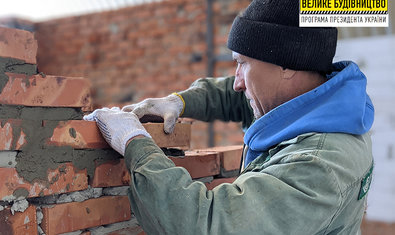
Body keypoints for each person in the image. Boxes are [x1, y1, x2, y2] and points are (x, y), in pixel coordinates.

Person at [84, 0, 375, 234]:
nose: (237, 81)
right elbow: (232, 94)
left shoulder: (318, 164)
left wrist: (136, 143)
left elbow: (209, 224)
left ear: (287, 65)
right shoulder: (321, 103)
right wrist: (181, 101)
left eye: (242, 64)